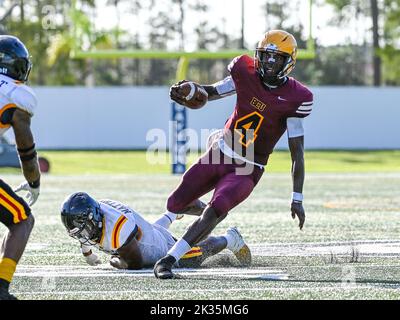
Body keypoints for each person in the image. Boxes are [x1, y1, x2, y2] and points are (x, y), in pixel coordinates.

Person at [154, 30, 313, 279]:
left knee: (215, 209)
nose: (269, 62)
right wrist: (191, 90)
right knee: (175, 203)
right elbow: (212, 91)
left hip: (247, 167)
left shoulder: (296, 97)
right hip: (220, 152)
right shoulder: (244, 71)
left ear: (288, 62)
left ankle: (169, 259)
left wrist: (297, 196)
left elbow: (297, 153)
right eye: (266, 56)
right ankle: (215, 223)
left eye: (276, 58)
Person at [60, 192, 251, 270]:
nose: (82, 235)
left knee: (191, 257)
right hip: (147, 232)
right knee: (152, 232)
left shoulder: (116, 228)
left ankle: (229, 238)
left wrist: (114, 261)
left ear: (93, 217)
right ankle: (172, 213)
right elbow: (86, 234)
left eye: (83, 229)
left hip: (159, 248)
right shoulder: (97, 213)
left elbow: (135, 263)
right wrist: (88, 255)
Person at [0, 36, 41, 299]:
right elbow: (25, 148)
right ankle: (1, 287)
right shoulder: (17, 94)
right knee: (22, 219)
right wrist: (34, 181)